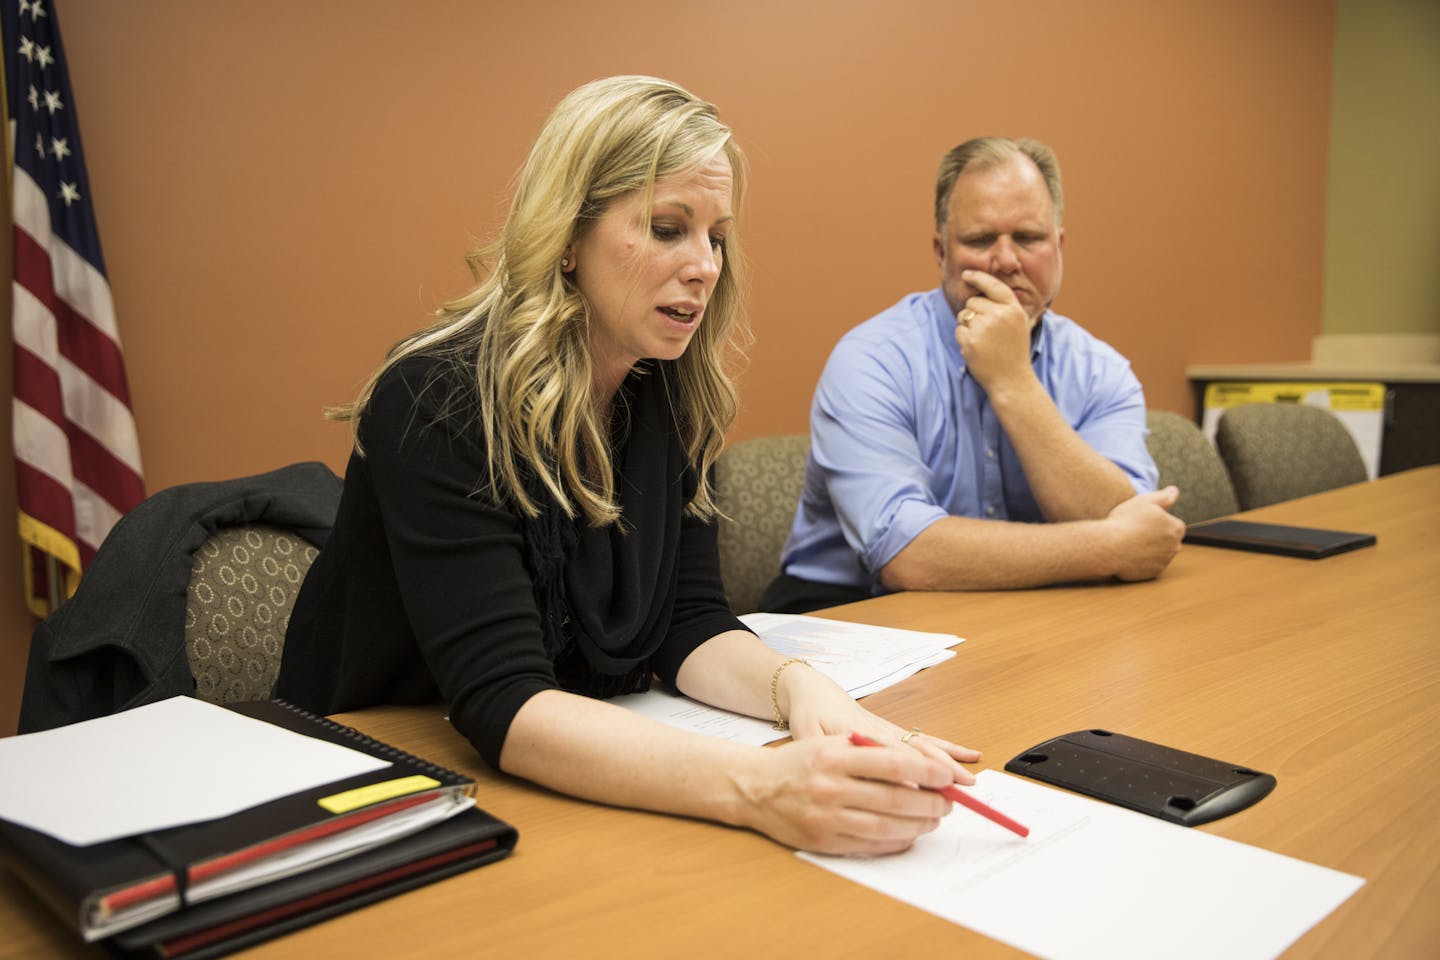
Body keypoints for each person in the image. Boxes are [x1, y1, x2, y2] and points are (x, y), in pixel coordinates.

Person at [277, 76, 978, 856]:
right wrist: (761, 788)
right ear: (568, 237)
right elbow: (504, 700)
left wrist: (805, 692)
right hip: (373, 785)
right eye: (668, 227)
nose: (705, 265)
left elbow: (688, 622)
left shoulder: (666, 389)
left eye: (716, 236)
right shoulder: (435, 398)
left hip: (551, 771)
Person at [761, 136, 1185, 614]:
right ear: (941, 253)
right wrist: (1108, 548)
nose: (1006, 261)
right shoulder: (871, 360)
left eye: (1029, 238)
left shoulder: (1101, 370)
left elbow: (1127, 522)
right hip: (848, 612)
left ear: (1059, 247)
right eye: (981, 240)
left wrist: (1014, 381)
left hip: (1030, 607)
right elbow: (907, 557)